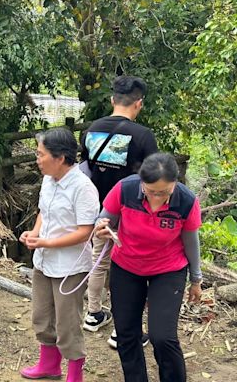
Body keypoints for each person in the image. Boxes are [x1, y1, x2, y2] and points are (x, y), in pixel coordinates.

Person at [95, 152, 202, 382]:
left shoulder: (186, 201)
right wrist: (102, 227)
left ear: (175, 183)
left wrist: (196, 279)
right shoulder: (124, 189)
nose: (156, 199)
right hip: (127, 265)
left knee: (162, 336)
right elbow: (104, 219)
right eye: (151, 191)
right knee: (126, 333)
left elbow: (191, 241)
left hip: (168, 269)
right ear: (142, 182)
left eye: (164, 193)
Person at [80, 76, 158, 348]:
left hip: (99, 209)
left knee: (98, 261)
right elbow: (153, 180)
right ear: (139, 104)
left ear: (113, 100)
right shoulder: (143, 136)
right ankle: (122, 332)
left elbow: (86, 168)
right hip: (132, 214)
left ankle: (93, 314)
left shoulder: (91, 129)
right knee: (129, 269)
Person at [19, 128, 99, 382]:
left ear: (61, 158)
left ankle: (75, 374)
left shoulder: (83, 188)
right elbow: (44, 211)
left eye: (41, 154)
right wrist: (34, 234)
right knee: (41, 315)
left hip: (70, 266)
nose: (37, 159)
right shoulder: (48, 179)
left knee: (67, 323)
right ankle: (49, 365)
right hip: (44, 260)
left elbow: (86, 232)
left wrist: (48, 242)